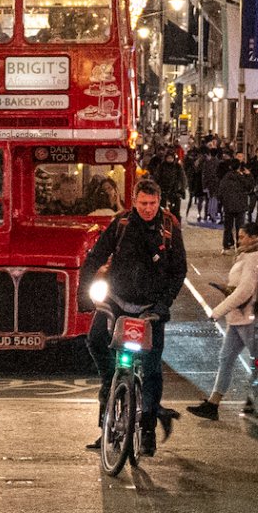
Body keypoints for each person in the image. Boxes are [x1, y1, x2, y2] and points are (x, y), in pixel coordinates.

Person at [77, 175, 187, 458]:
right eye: (142, 203)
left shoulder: (169, 228)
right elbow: (95, 258)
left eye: (152, 204)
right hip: (117, 301)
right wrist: (84, 293)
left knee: (151, 369)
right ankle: (107, 414)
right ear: (134, 201)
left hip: (151, 308)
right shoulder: (122, 224)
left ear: (159, 202)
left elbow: (179, 271)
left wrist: (163, 305)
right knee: (96, 341)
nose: (148, 209)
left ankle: (148, 429)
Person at [189, 229, 258, 420]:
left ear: (254, 237)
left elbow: (246, 290)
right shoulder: (246, 255)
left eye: (242, 237)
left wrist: (218, 311)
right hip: (237, 318)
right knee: (226, 358)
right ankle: (214, 404)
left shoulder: (253, 258)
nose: (239, 240)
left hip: (246, 318)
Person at [216, 158, 252, 252]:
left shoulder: (225, 178)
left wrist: (223, 202)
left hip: (228, 206)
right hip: (240, 206)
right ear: (239, 167)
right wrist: (249, 175)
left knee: (228, 227)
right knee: (240, 227)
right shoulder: (241, 178)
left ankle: (226, 246)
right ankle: (239, 246)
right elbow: (250, 187)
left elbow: (220, 192)